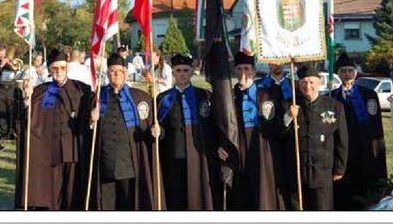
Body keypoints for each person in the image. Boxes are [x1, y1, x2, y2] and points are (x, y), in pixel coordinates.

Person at [15, 48, 91, 210]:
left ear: (67, 68)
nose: (59, 72)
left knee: (72, 193)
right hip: (49, 150)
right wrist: (26, 98)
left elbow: (88, 118)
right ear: (50, 70)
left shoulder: (81, 90)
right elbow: (28, 118)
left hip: (72, 149)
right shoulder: (40, 91)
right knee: (51, 192)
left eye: (62, 68)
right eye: (55, 69)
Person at [89, 51, 161, 210]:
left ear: (126, 73)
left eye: (119, 71)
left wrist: (155, 131)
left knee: (128, 203)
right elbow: (87, 131)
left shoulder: (141, 97)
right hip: (104, 161)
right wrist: (91, 121)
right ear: (107, 74)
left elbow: (150, 126)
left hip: (129, 162)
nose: (116, 74)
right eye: (112, 71)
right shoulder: (97, 97)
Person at [220, 51, 285, 209]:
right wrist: (220, 144)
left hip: (262, 146)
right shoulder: (229, 97)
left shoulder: (269, 94)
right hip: (238, 145)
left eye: (247, 68)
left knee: (262, 190)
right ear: (235, 71)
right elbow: (221, 124)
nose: (244, 73)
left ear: (254, 71)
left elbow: (279, 125)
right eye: (240, 68)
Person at [156, 52, 216, 210]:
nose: (182, 74)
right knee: (176, 195)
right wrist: (157, 131)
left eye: (185, 70)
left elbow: (212, 124)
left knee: (197, 193)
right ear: (173, 72)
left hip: (198, 153)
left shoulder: (204, 95)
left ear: (191, 72)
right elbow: (161, 127)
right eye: (178, 70)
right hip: (174, 154)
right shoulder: (163, 98)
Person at [285, 62, 348, 211]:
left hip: (322, 172)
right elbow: (278, 133)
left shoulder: (334, 106)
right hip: (297, 173)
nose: (308, 86)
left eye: (311, 82)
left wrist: (339, 168)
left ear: (319, 83)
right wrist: (288, 116)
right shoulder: (290, 105)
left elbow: (342, 140)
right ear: (299, 84)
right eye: (304, 82)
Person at [330, 53, 386, 208]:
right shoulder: (331, 97)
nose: (347, 74)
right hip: (342, 153)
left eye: (350, 70)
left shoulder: (368, 95)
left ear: (355, 72)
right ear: (338, 74)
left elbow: (376, 127)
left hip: (364, 152)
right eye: (343, 71)